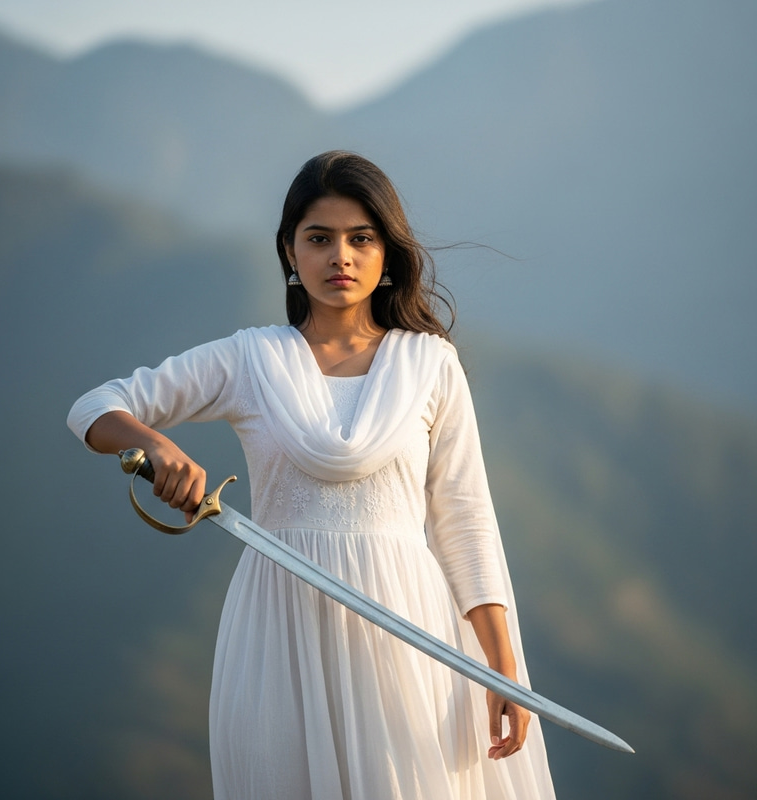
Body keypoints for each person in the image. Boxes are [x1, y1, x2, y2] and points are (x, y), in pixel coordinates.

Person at [67, 151, 556, 799]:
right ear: (289, 252)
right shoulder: (251, 359)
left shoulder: (430, 366)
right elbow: (94, 408)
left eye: (361, 239)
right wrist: (156, 445)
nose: (341, 257)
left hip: (407, 630)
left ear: (388, 253)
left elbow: (466, 523)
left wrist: (504, 670)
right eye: (319, 239)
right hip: (277, 633)